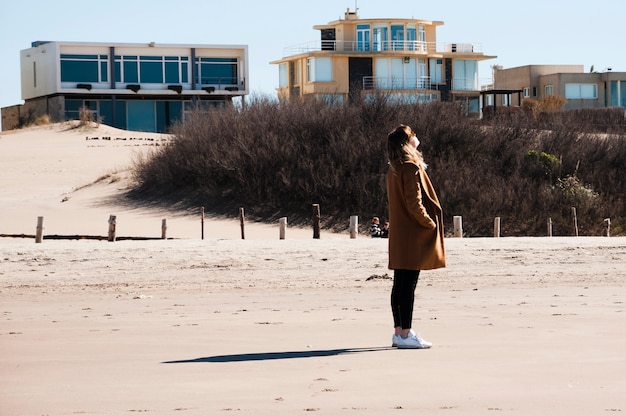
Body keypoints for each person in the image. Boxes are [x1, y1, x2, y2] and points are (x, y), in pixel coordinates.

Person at [386, 124, 445, 349]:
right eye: (413, 135)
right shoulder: (410, 167)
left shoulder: (394, 168)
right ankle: (406, 334)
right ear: (407, 142)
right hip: (412, 232)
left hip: (400, 233)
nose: (416, 137)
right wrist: (429, 224)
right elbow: (415, 203)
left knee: (399, 284)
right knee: (408, 285)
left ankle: (399, 333)